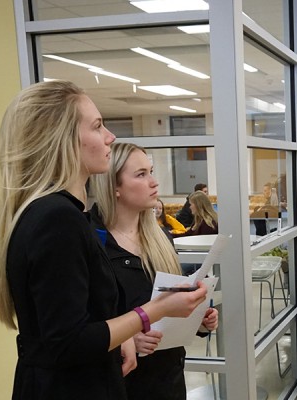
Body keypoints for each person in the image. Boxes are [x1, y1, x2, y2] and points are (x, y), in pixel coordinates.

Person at [0, 80, 208, 400]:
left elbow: (77, 322)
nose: (110, 136)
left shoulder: (62, 213)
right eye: (97, 127)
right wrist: (153, 311)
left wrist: (120, 335)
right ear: (63, 140)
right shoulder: (56, 218)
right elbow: (68, 342)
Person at [89, 142, 218, 400]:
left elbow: (166, 301)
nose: (154, 182)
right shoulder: (93, 243)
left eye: (151, 171)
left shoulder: (160, 238)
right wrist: (126, 342)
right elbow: (81, 327)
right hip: (123, 383)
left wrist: (197, 318)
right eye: (141, 174)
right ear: (113, 186)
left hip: (168, 377)